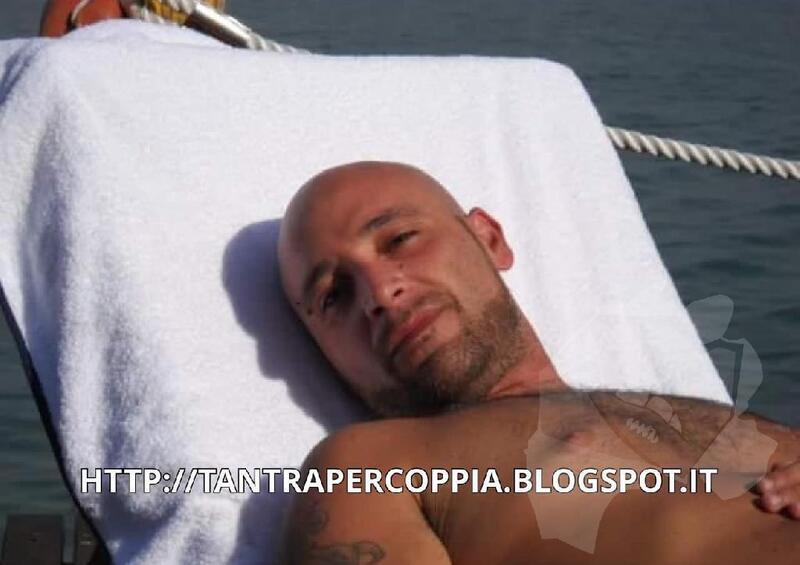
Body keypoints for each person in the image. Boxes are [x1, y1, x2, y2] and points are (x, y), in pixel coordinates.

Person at [277, 161, 799, 564]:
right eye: (334, 294)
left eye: (400, 239)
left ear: (489, 239)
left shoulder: (685, 414)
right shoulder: (371, 468)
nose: (379, 293)